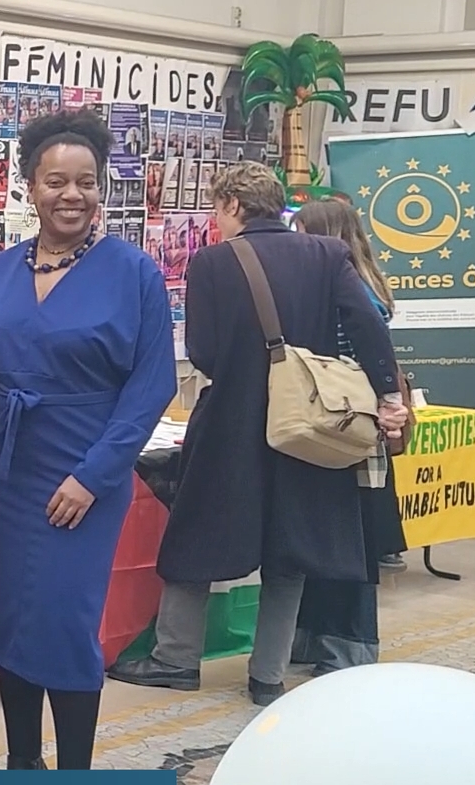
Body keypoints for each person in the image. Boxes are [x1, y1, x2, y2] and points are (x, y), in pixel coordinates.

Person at [108, 162, 409, 706]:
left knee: (195, 535)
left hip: (232, 421)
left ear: (231, 206)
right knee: (291, 548)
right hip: (307, 423)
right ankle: (267, 675)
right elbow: (366, 325)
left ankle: (175, 658)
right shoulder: (327, 255)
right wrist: (389, 395)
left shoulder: (213, 263)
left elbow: (202, 351)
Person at [0, 111, 178, 770]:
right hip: (2, 478)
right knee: (13, 620)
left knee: (64, 625)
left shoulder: (132, 273)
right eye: (55, 182)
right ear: (29, 189)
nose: (72, 195)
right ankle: (22, 765)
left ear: (100, 189)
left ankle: (73, 777)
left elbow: (151, 388)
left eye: (86, 182)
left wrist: (93, 477)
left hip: (81, 480)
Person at [289, 197, 412, 674]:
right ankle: (322, 641)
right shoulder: (365, 280)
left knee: (349, 539)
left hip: (351, 426)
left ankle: (345, 645)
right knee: (335, 535)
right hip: (353, 425)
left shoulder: (350, 289)